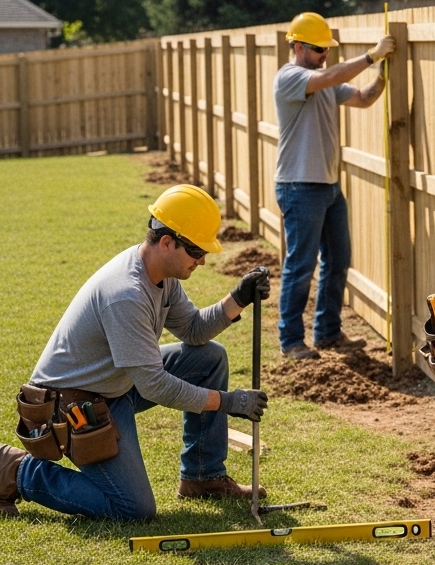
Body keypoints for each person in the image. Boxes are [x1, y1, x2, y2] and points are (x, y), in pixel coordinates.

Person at [0, 185, 270, 521]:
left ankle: (203, 477)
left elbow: (193, 332)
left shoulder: (161, 274)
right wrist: (229, 402)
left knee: (208, 358)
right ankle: (13, 470)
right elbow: (155, 386)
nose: (202, 260)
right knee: (133, 509)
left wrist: (238, 298)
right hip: (73, 404)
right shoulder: (126, 294)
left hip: (117, 386)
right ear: (167, 242)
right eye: (196, 250)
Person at [274, 11, 396, 360]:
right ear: (297, 47)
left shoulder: (325, 83)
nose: (324, 55)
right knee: (300, 266)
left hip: (328, 187)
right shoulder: (290, 78)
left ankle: (327, 332)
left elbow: (364, 97)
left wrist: (383, 71)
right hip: (298, 187)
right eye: (317, 49)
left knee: (338, 259)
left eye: (327, 49)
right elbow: (329, 76)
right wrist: (371, 54)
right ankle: (291, 340)